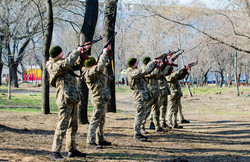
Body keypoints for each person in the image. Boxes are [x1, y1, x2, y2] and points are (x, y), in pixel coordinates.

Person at [47, 45, 90, 160]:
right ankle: (55, 152)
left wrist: (81, 55)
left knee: (73, 125)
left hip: (72, 98)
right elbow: (66, 64)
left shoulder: (63, 62)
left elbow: (76, 65)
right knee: (62, 126)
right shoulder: (52, 65)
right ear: (58, 53)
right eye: (61, 52)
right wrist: (76, 51)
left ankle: (71, 149)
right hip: (64, 99)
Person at [82, 45, 112, 149]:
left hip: (102, 98)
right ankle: (90, 141)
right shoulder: (90, 72)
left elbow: (103, 66)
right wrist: (104, 53)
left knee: (101, 119)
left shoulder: (94, 71)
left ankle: (101, 138)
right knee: (95, 119)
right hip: (98, 98)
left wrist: (106, 55)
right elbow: (100, 66)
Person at [125, 57, 160, 142]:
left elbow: (144, 70)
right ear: (133, 64)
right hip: (138, 95)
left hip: (142, 95)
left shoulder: (134, 70)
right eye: (136, 62)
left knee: (141, 114)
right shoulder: (131, 71)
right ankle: (136, 133)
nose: (138, 63)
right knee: (139, 114)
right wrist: (153, 63)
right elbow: (143, 71)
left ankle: (138, 132)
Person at [141, 56, 165, 133]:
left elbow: (159, 74)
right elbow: (154, 73)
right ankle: (141, 127)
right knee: (147, 111)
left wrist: (162, 64)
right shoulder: (144, 69)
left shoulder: (152, 67)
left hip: (156, 91)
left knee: (156, 110)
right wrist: (156, 64)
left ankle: (157, 126)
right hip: (149, 92)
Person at [166, 65, 190, 129]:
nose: (173, 71)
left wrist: (185, 71)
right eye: (172, 70)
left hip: (176, 94)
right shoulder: (167, 76)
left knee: (176, 110)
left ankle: (174, 123)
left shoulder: (174, 76)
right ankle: (169, 123)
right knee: (171, 109)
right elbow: (173, 76)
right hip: (171, 95)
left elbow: (180, 76)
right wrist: (181, 69)